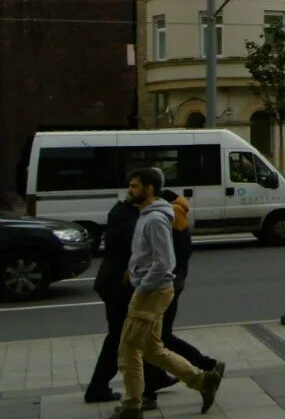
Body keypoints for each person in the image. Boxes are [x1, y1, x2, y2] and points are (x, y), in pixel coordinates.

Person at [112, 168, 224, 419]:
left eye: (134, 186)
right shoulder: (146, 215)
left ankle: (132, 406)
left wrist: (141, 286)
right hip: (153, 289)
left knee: (128, 348)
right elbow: (147, 254)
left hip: (151, 293)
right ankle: (204, 381)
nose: (129, 190)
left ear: (149, 189)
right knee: (152, 350)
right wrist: (133, 270)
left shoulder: (155, 219)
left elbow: (165, 262)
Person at [142, 189, 218, 410]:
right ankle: (155, 382)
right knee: (157, 338)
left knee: (156, 338)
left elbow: (167, 257)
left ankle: (205, 367)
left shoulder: (170, 217)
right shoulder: (177, 213)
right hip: (173, 283)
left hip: (166, 286)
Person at [85, 198, 141, 403]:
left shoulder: (120, 211)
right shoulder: (131, 219)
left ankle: (99, 386)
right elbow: (133, 249)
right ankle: (98, 387)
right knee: (122, 337)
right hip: (119, 284)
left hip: (110, 281)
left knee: (122, 335)